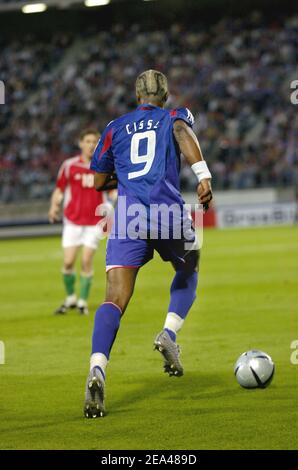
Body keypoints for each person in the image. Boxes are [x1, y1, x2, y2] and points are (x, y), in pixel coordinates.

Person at [84, 70, 212, 418]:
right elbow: (183, 133)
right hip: (167, 212)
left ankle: (97, 367)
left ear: (136, 94)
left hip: (127, 218)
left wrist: (123, 174)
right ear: (166, 94)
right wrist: (203, 175)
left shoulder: (115, 126)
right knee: (190, 263)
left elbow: (97, 181)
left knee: (114, 299)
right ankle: (169, 332)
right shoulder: (174, 115)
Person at [48, 128, 109, 316]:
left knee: (86, 260)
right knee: (67, 263)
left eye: (95, 142)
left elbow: (113, 191)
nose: (91, 145)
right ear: (80, 143)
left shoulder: (104, 166)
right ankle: (71, 298)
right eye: (88, 141)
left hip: (94, 222)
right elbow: (59, 189)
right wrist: (54, 206)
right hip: (73, 220)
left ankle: (82, 302)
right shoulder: (69, 165)